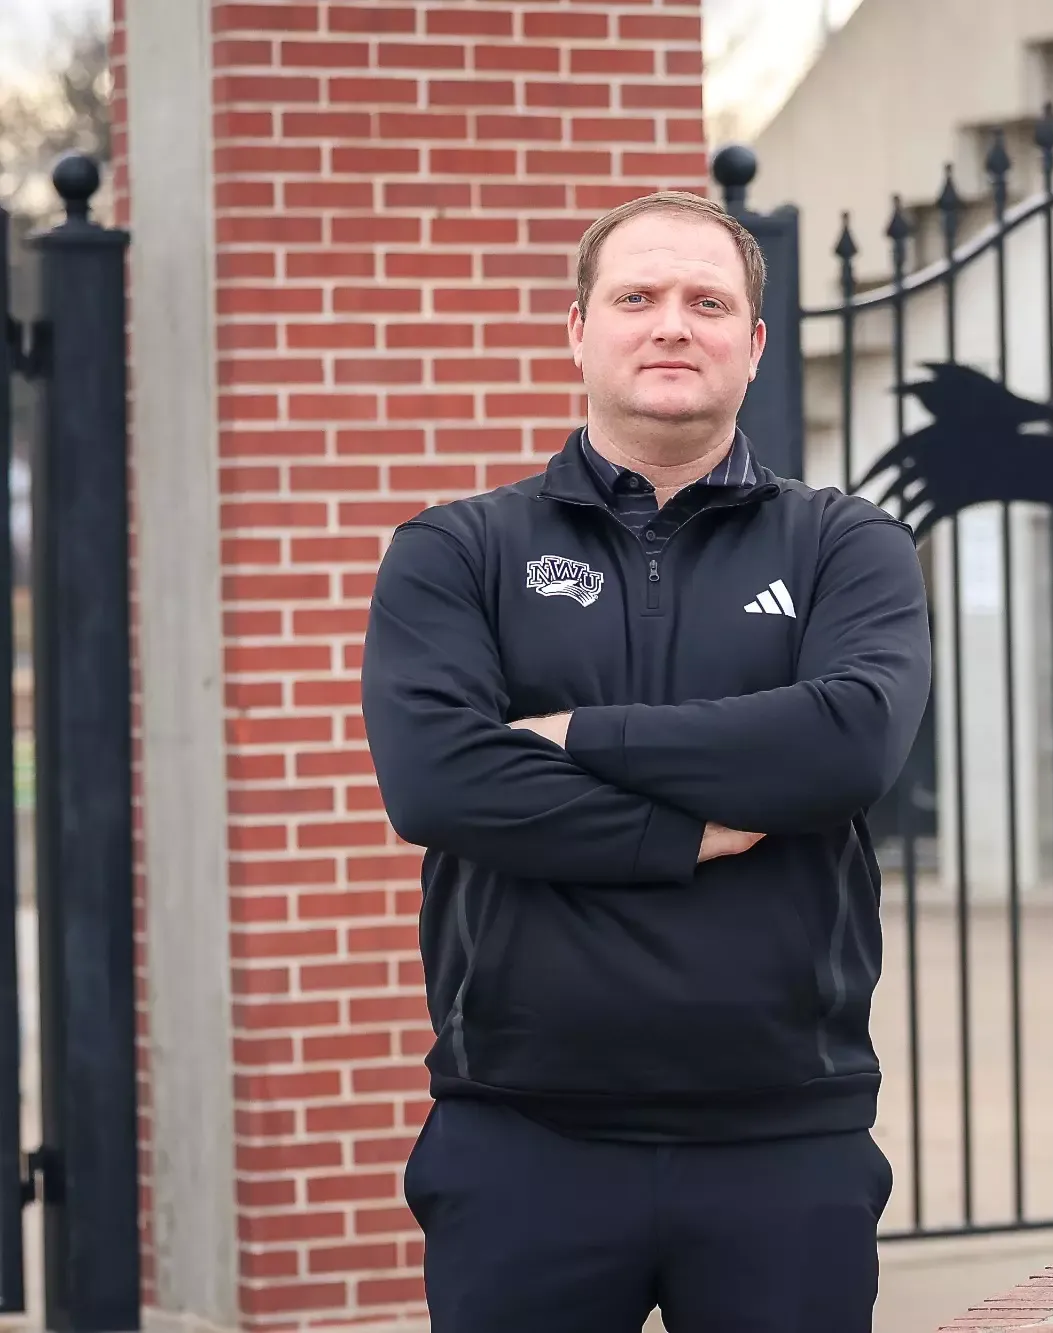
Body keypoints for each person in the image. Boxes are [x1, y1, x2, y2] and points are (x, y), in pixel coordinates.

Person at [360, 189, 932, 1333]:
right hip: (523, 1140)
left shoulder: (843, 544)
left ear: (753, 344)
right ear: (578, 329)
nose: (672, 323)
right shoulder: (457, 549)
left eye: (706, 301)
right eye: (637, 297)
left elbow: (847, 742)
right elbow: (440, 780)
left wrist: (576, 734)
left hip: (787, 1139)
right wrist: (685, 828)